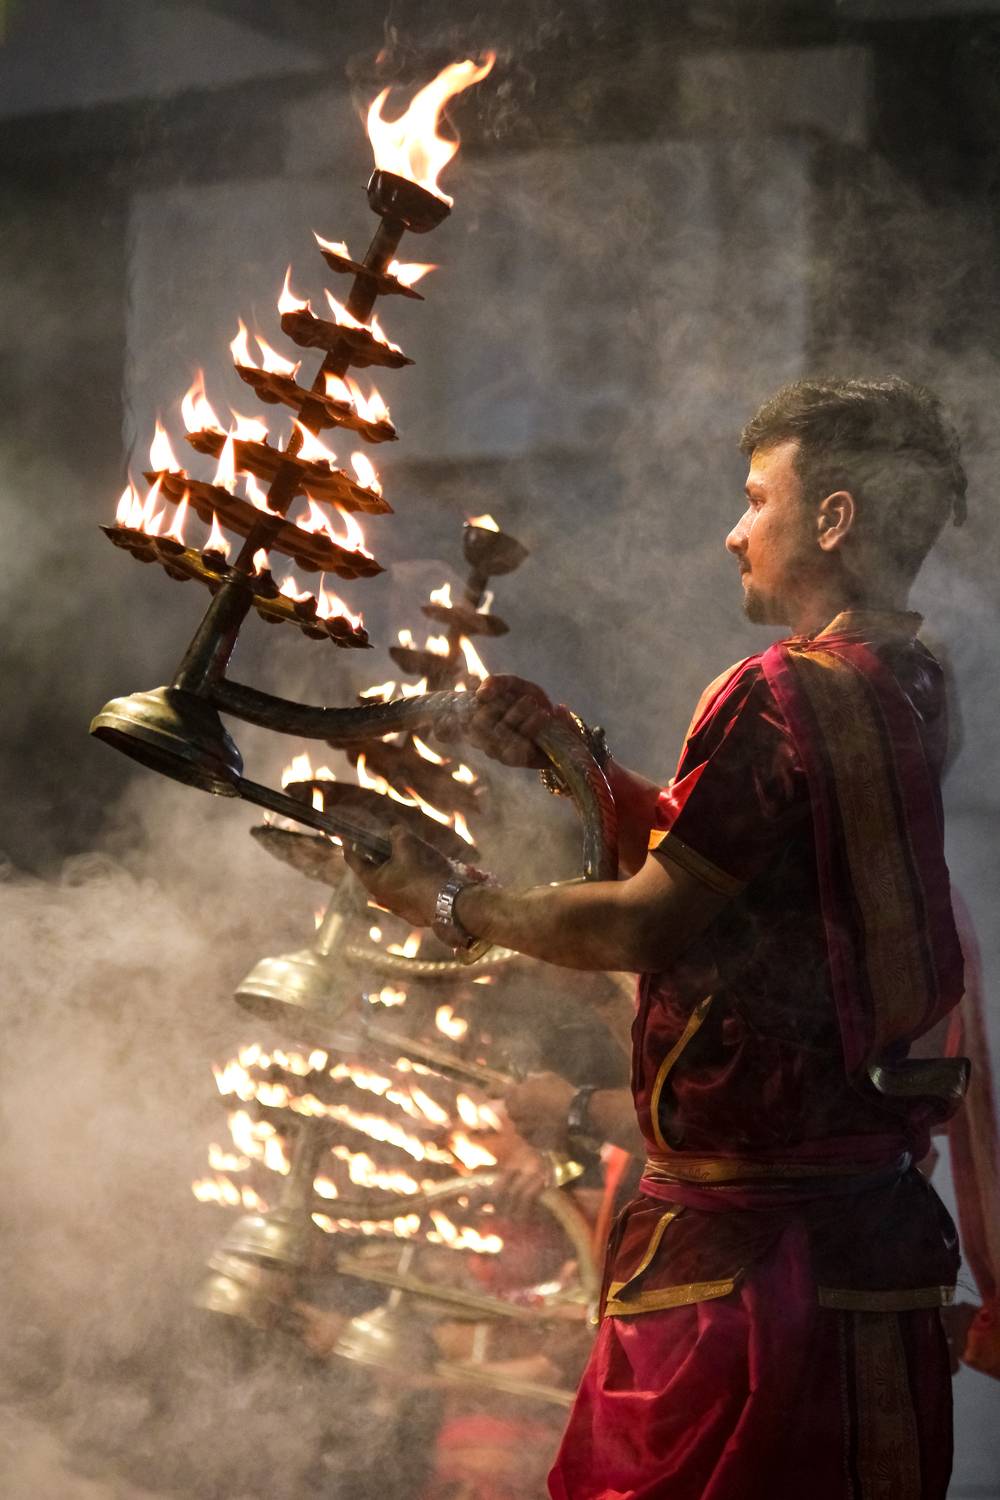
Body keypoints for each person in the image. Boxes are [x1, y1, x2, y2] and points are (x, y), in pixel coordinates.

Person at [346, 377, 971, 1500]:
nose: (733, 532)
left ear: (832, 520)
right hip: (868, 1247)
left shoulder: (776, 693)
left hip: (740, 1287)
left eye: (754, 500)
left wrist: (448, 904)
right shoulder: (915, 686)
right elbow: (753, 867)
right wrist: (566, 757)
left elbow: (648, 918)